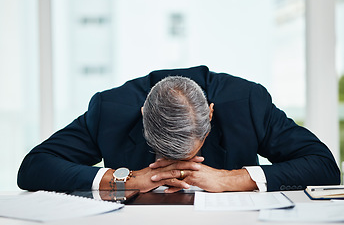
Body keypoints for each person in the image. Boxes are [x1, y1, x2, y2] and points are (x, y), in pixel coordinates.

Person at [17, 66, 340, 193]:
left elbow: (324, 166)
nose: (177, 167)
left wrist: (232, 178)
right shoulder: (110, 110)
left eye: (187, 154)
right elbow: (34, 167)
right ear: (143, 115)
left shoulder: (247, 103)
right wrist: (120, 179)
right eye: (165, 155)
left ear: (210, 116)